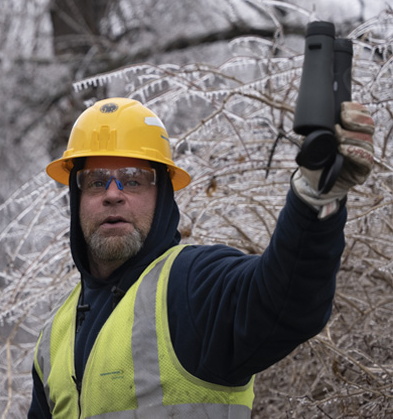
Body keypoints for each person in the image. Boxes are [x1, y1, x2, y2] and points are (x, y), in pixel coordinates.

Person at [28, 97, 375, 418]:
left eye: (133, 181)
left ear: (162, 193)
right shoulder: (53, 338)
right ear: (77, 197)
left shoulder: (192, 286)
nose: (114, 195)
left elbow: (286, 298)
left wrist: (314, 199)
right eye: (96, 181)